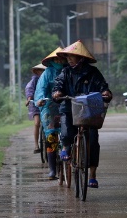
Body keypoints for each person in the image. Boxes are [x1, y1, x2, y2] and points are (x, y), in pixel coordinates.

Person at [51, 40, 112, 188]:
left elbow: (103, 86)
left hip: (89, 109)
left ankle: (92, 175)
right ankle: (66, 148)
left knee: (93, 141)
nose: (69, 59)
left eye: (72, 56)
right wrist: (57, 92)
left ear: (81, 58)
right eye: (67, 56)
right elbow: (58, 84)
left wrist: (105, 92)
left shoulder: (93, 72)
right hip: (69, 107)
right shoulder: (65, 72)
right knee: (66, 132)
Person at [32, 46, 68, 180]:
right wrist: (40, 99)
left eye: (61, 59)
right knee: (51, 136)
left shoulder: (68, 70)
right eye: (56, 59)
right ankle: (52, 169)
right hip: (49, 105)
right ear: (52, 61)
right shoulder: (47, 73)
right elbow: (41, 88)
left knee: (69, 131)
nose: (59, 61)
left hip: (65, 103)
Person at [25, 63, 46, 153]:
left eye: (43, 70)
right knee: (37, 123)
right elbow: (29, 90)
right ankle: (36, 145)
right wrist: (29, 99)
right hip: (36, 104)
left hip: (46, 103)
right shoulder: (34, 81)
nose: (42, 72)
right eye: (40, 70)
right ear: (37, 72)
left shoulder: (48, 78)